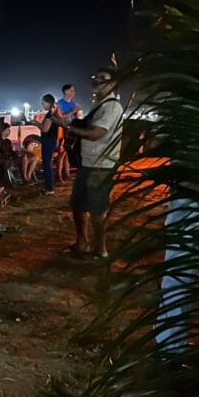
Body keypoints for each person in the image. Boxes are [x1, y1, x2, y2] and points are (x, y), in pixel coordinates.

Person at [58, 66, 124, 259]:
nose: (97, 80)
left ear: (113, 83)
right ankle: (82, 243)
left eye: (103, 78)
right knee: (78, 205)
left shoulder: (112, 106)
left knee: (96, 210)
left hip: (101, 165)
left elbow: (96, 134)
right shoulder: (99, 104)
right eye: (96, 77)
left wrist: (68, 127)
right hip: (88, 162)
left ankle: (101, 250)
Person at [55, 84, 81, 183]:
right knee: (61, 153)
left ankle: (67, 174)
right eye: (71, 90)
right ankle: (58, 176)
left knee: (67, 153)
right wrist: (73, 111)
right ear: (65, 91)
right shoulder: (59, 104)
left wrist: (76, 113)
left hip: (71, 130)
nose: (73, 92)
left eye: (73, 90)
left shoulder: (73, 103)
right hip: (63, 130)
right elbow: (60, 117)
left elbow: (76, 118)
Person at [39, 94, 57, 195]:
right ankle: (48, 186)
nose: (42, 105)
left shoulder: (50, 115)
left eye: (43, 103)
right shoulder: (53, 113)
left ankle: (49, 188)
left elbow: (45, 129)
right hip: (51, 140)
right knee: (47, 163)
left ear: (48, 103)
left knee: (47, 164)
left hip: (48, 141)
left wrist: (35, 123)